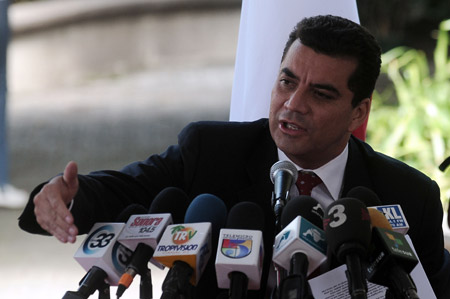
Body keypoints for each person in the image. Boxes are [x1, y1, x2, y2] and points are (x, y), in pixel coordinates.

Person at [18, 15, 450, 298]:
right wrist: (66, 197)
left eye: (320, 94)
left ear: (359, 111)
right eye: (287, 82)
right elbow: (130, 191)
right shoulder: (211, 152)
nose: (293, 104)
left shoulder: (409, 196)